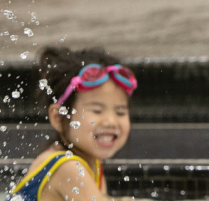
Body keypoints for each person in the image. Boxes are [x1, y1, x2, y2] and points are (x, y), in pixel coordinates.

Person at [9, 47, 135, 201]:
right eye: (97, 111)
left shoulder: (93, 164)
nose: (110, 122)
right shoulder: (68, 167)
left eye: (120, 112)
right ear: (59, 117)